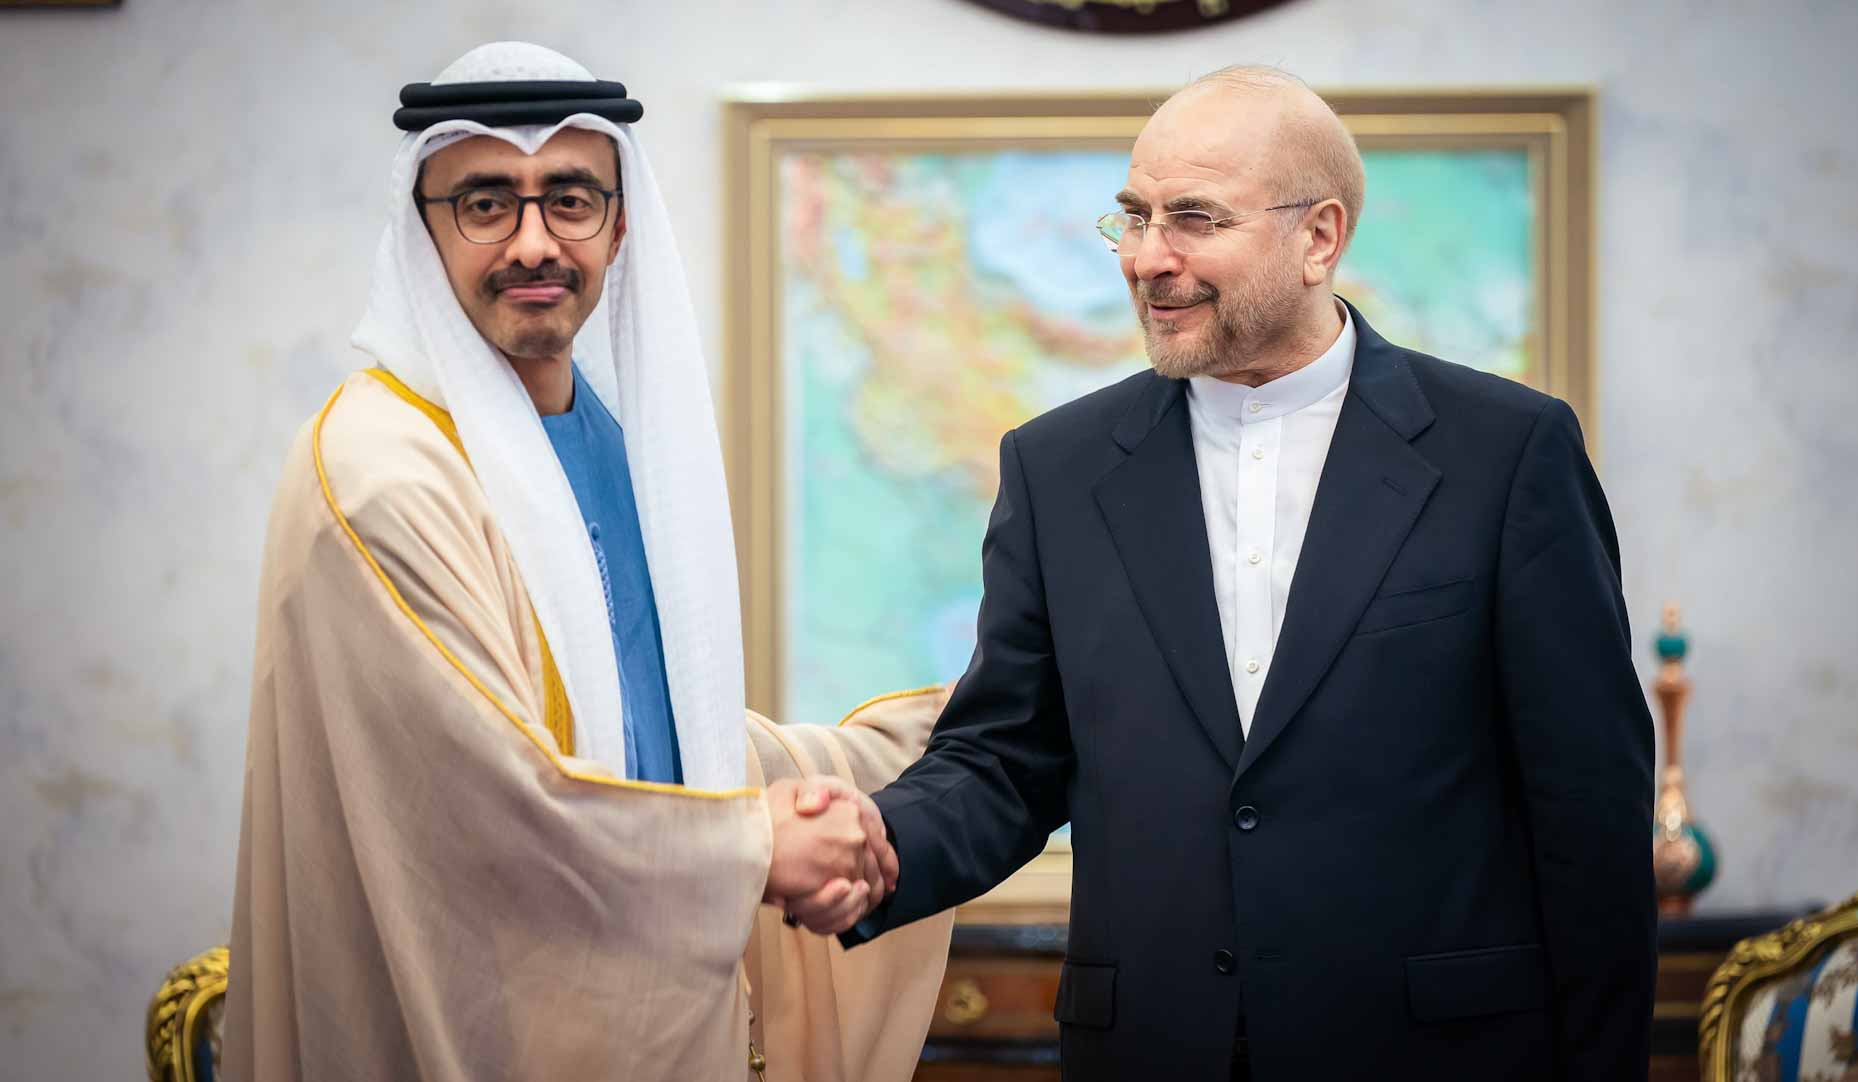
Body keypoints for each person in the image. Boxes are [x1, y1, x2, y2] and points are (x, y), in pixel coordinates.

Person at [842, 65, 1656, 1081]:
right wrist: (874, 844)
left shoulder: (1508, 453)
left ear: (1319, 236)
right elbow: (1007, 759)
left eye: (1193, 218)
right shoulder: (1055, 469)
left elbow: (1589, 811)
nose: (1147, 258)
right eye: (1133, 216)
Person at [226, 41, 950, 1081]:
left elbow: (635, 734)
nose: (533, 242)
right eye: (485, 202)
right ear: (423, 231)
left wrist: (904, 748)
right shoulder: (386, 474)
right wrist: (754, 845)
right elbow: (497, 805)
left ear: (618, 224)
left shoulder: (594, 437)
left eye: (568, 198)